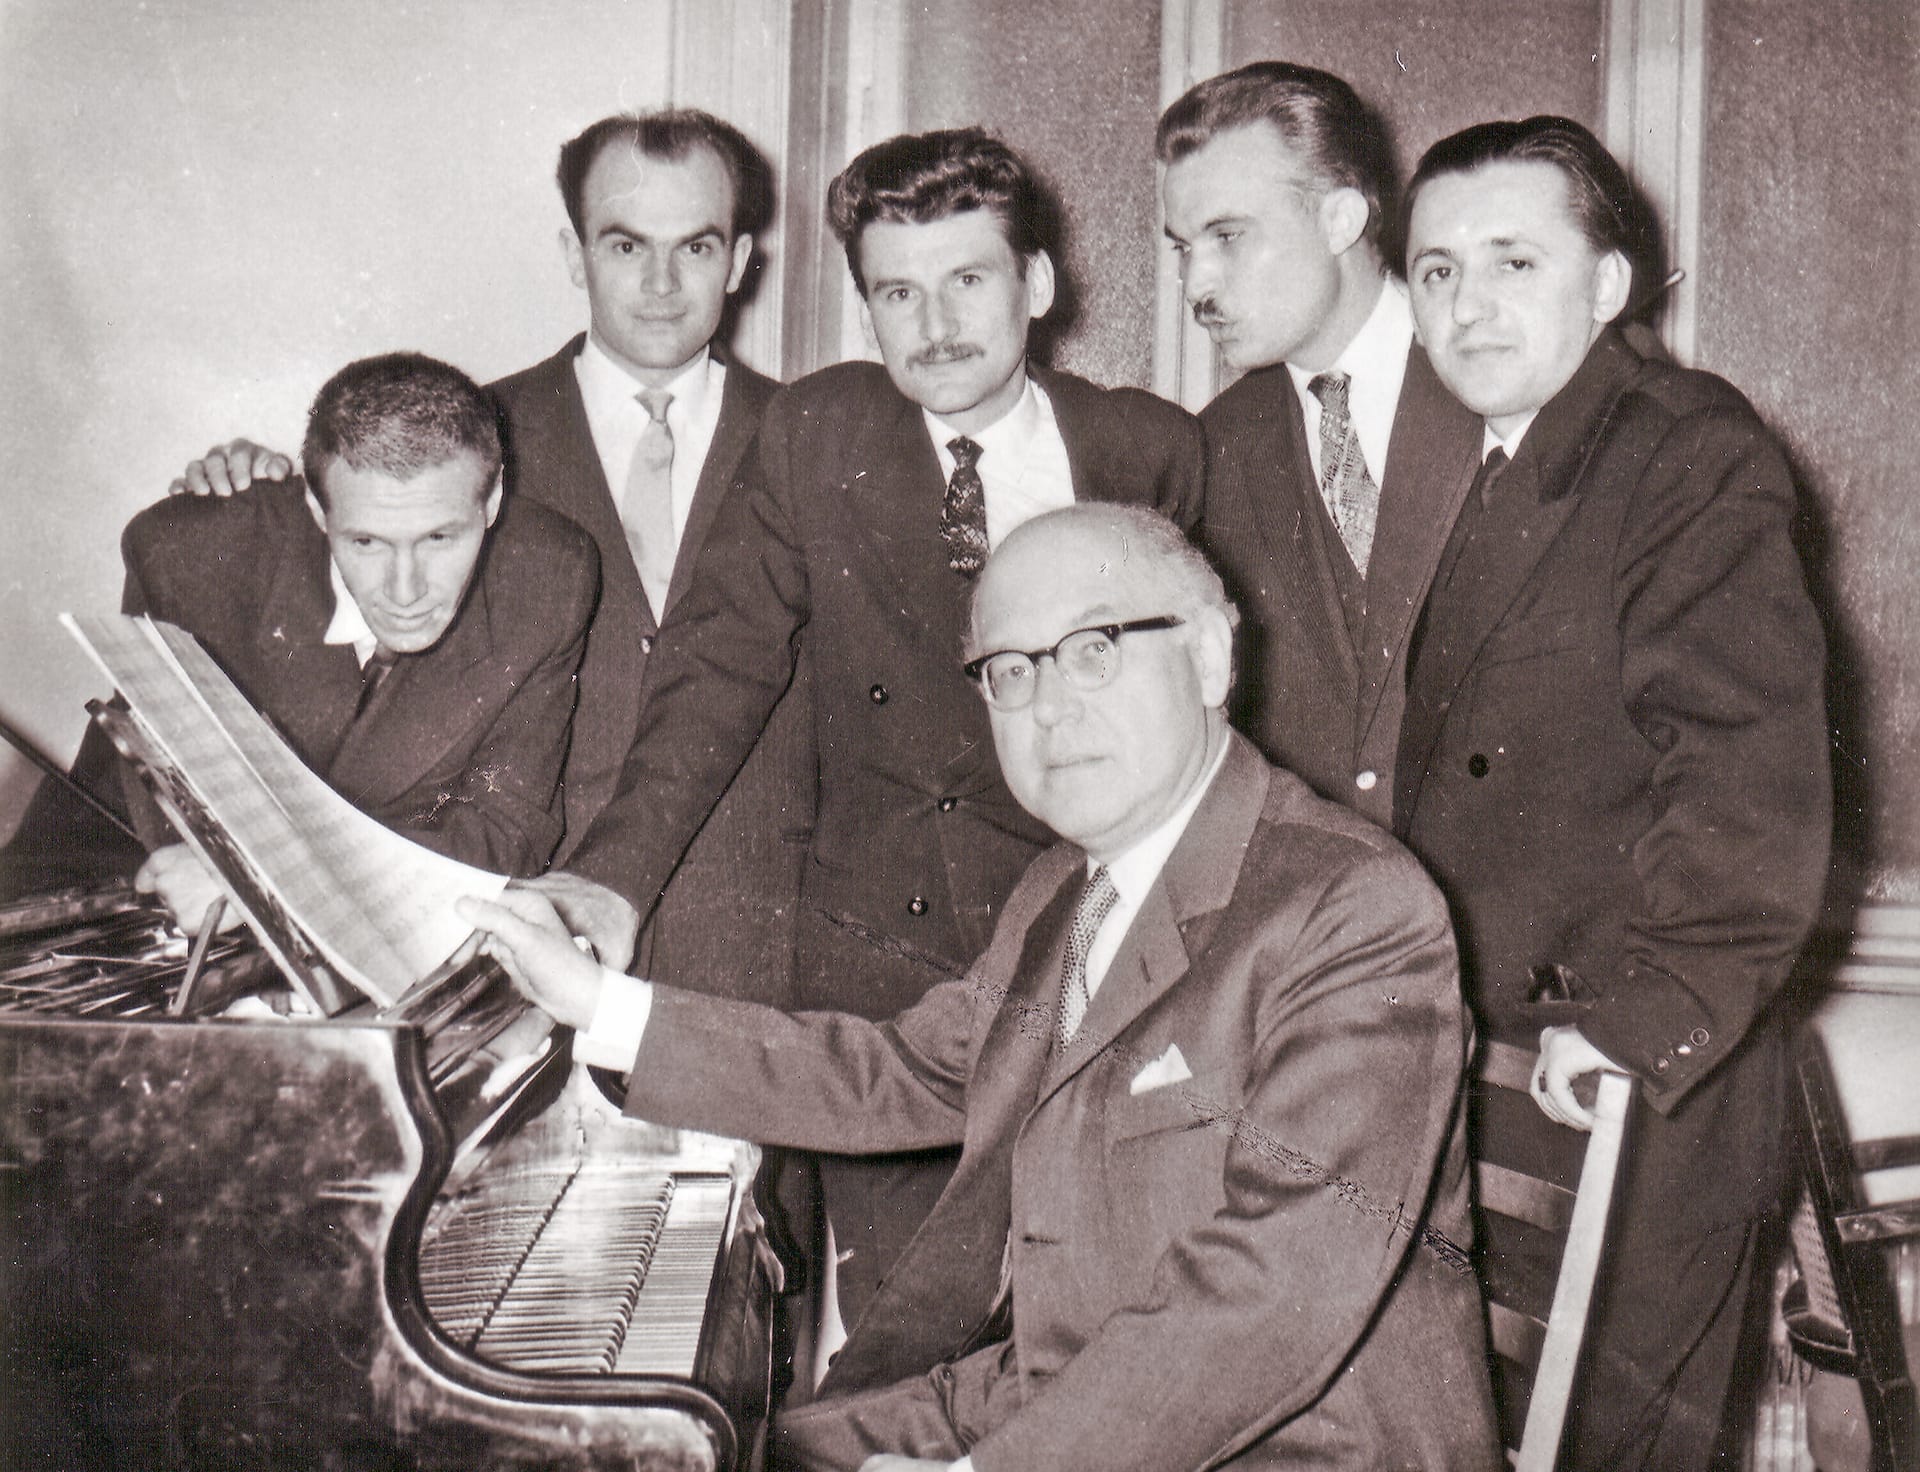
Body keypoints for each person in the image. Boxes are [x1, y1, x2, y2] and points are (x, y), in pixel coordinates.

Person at [463, 503, 1496, 1472]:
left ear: (1212, 654)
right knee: (693, 1446)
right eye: (1009, 670)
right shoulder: (1066, 887)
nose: (1049, 707)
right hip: (1054, 1399)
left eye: (1095, 651)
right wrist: (598, 1001)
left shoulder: (1352, 905)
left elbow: (1274, 1298)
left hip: (1289, 1444)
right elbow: (902, 1070)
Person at [537, 128, 1205, 1325]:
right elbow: (717, 663)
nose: (934, 323)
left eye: (968, 280)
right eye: (897, 291)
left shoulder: (1148, 447)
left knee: (1102, 1320)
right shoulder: (818, 433)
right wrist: (613, 883)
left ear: (1037, 286)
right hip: (879, 977)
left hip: (1089, 956)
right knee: (912, 1339)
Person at [1393, 116, 1831, 1467]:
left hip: (1634, 1084)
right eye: (1439, 271)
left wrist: (1646, 1022)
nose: (1469, 305)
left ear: (1608, 284)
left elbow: (1749, 773)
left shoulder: (1684, 454)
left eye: (1515, 262)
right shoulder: (1511, 455)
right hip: (1523, 1078)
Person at [167, 110, 805, 998]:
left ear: (739, 262)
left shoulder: (818, 442)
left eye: (695, 248)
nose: (660, 283)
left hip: (757, 950)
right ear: (575, 255)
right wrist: (254, 499)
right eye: (624, 247)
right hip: (503, 942)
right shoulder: (461, 445)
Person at [1, 352, 599, 917]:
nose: (405, 588)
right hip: (112, 904)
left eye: (439, 539)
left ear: (491, 502)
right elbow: (169, 828)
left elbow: (503, 837)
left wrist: (268, 880)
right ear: (316, 508)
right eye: (366, 542)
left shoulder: (549, 579)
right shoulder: (191, 555)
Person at [1158, 61, 1483, 828]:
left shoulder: (1501, 388)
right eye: (1182, 247)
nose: (1197, 284)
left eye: (1228, 236)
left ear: (1341, 220)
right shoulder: (1217, 444)